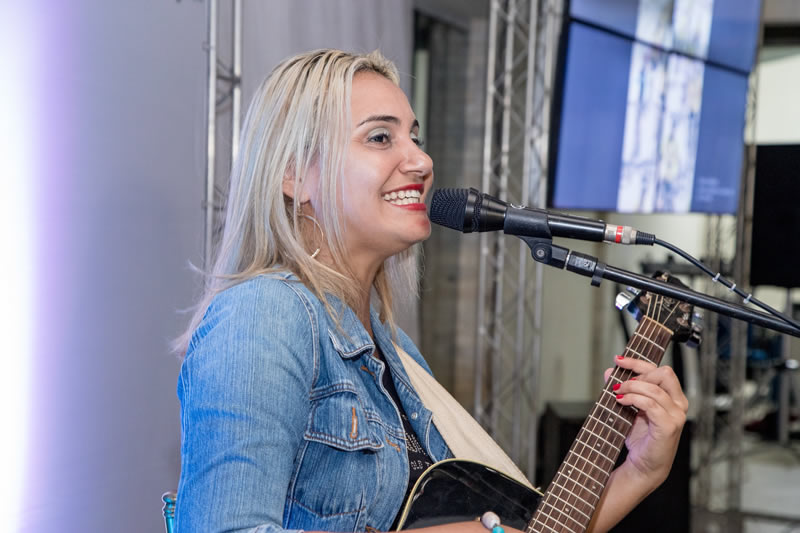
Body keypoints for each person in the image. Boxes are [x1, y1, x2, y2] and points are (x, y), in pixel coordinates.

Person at [174, 49, 688, 533]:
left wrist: (640, 471)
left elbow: (534, 526)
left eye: (415, 137)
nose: (420, 161)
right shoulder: (262, 315)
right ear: (293, 175)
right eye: (381, 137)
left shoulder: (393, 349)